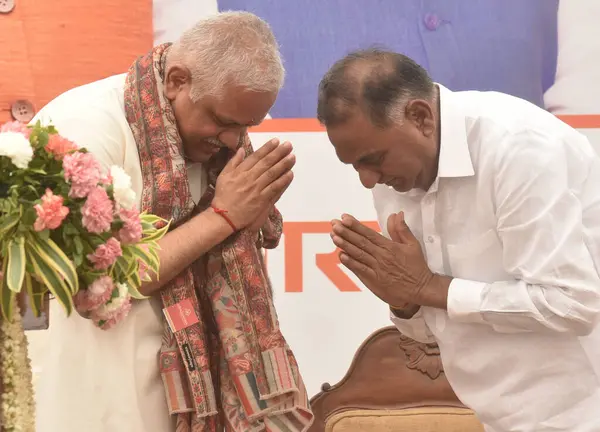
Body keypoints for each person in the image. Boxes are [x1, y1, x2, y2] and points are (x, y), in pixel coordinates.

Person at [31, 12, 313, 432]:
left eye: (245, 127)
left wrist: (242, 220)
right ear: (177, 81)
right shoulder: (83, 127)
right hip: (91, 386)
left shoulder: (217, 145)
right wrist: (222, 216)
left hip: (182, 394)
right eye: (223, 122)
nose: (235, 141)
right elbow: (106, 280)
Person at [318, 48, 600, 432]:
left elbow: (573, 303)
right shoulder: (396, 175)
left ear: (421, 117)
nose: (367, 180)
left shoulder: (518, 149)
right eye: (355, 166)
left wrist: (429, 288)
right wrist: (404, 302)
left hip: (584, 411)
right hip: (497, 417)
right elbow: (434, 327)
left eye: (373, 159)